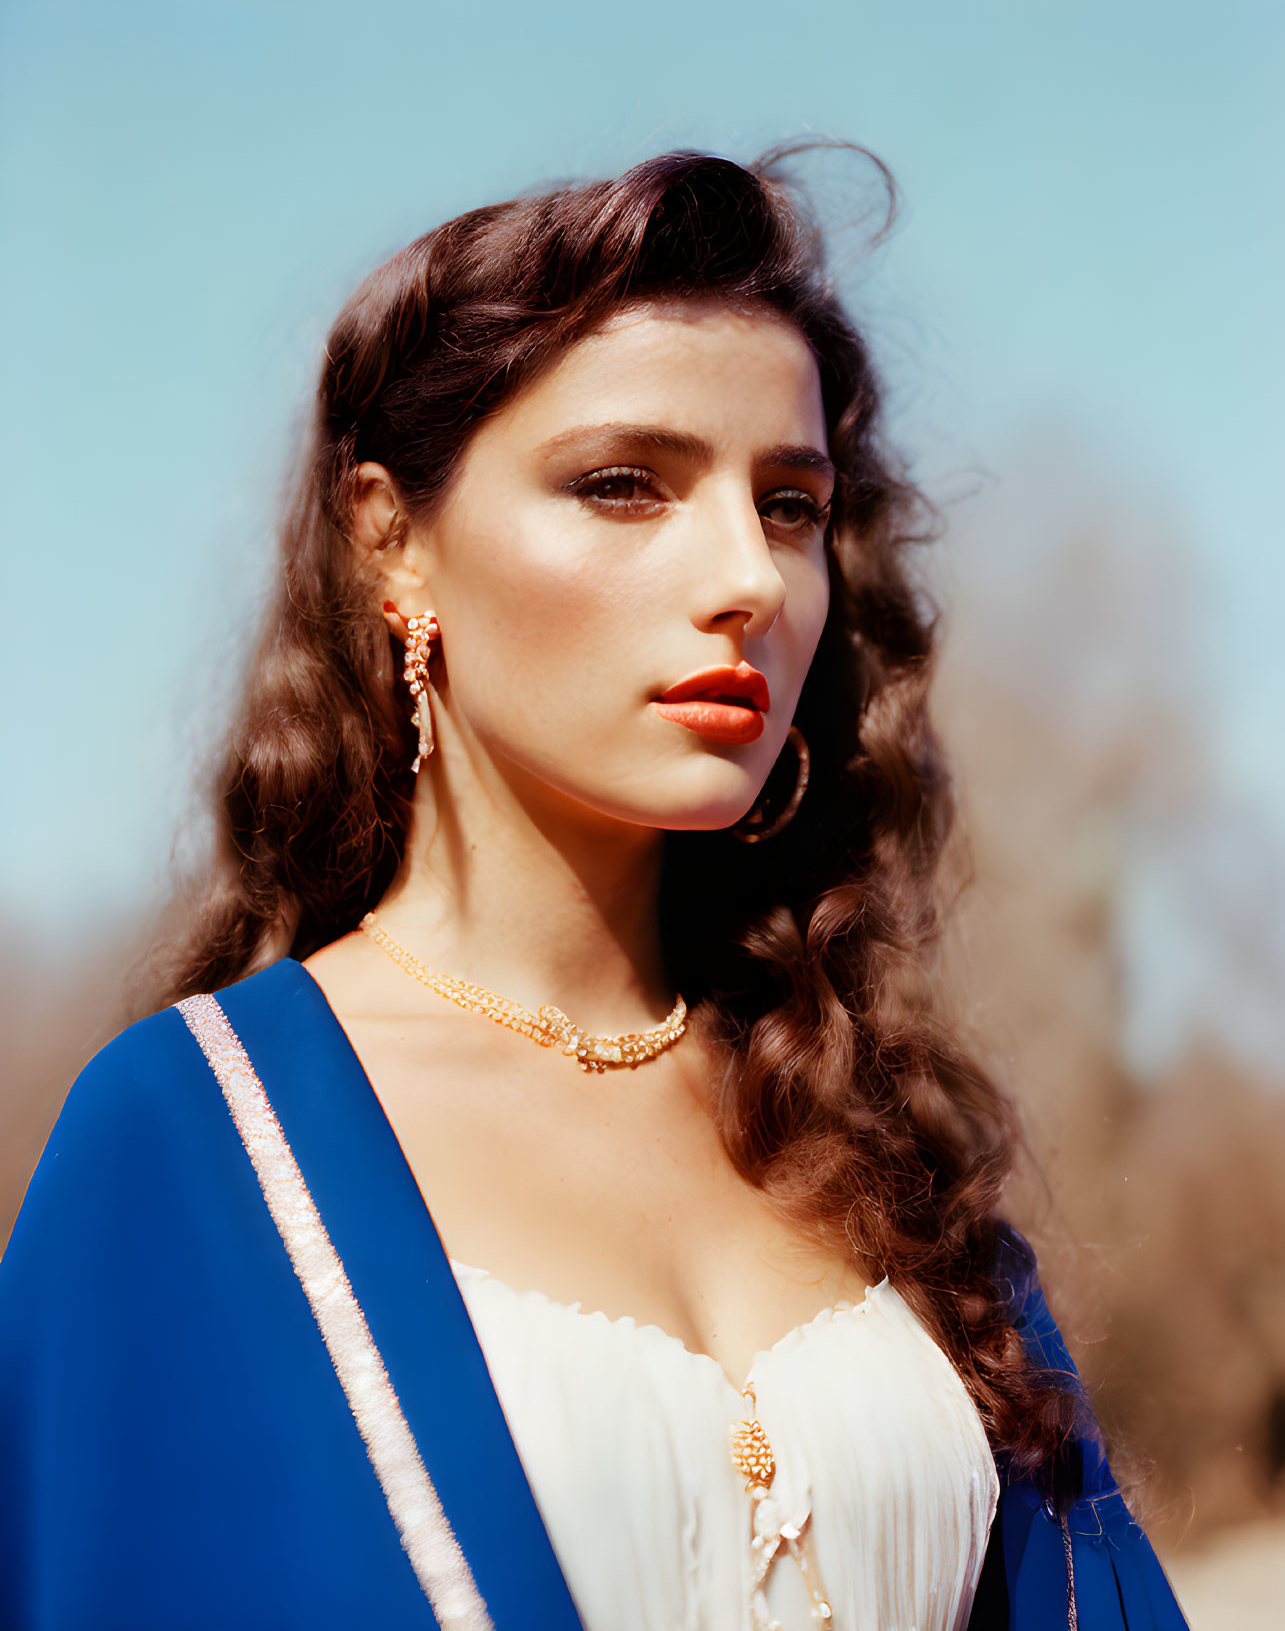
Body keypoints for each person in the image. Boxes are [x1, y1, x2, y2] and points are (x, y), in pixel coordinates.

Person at [0, 148, 1189, 1631]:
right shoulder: (190, 1145)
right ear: (389, 537)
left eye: (790, 504)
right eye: (624, 485)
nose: (747, 577)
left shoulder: (868, 1132)